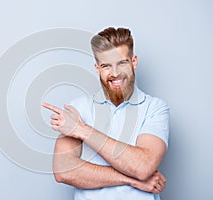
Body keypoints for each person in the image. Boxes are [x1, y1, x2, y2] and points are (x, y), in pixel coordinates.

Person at [42, 27, 169, 200]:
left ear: (134, 62)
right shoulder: (77, 108)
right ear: (97, 68)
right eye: (106, 65)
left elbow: (143, 167)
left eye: (122, 63)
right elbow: (63, 170)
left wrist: (82, 130)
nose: (115, 73)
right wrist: (133, 180)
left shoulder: (155, 108)